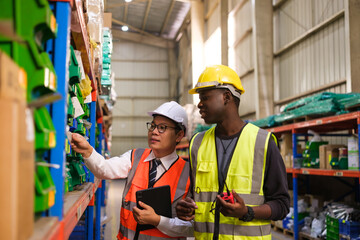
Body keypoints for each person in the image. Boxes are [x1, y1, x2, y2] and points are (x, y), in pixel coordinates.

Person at [175, 65, 290, 239]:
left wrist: (247, 212)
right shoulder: (197, 144)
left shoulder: (263, 143)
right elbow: (191, 194)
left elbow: (281, 205)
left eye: (205, 97)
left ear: (226, 97)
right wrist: (185, 206)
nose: (199, 104)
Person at [70, 101, 194, 240]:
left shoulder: (188, 174)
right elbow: (104, 169)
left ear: (179, 135)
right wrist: (87, 151)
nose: (154, 131)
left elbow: (192, 228)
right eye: (152, 126)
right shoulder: (135, 156)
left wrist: (158, 221)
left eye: (162, 128)